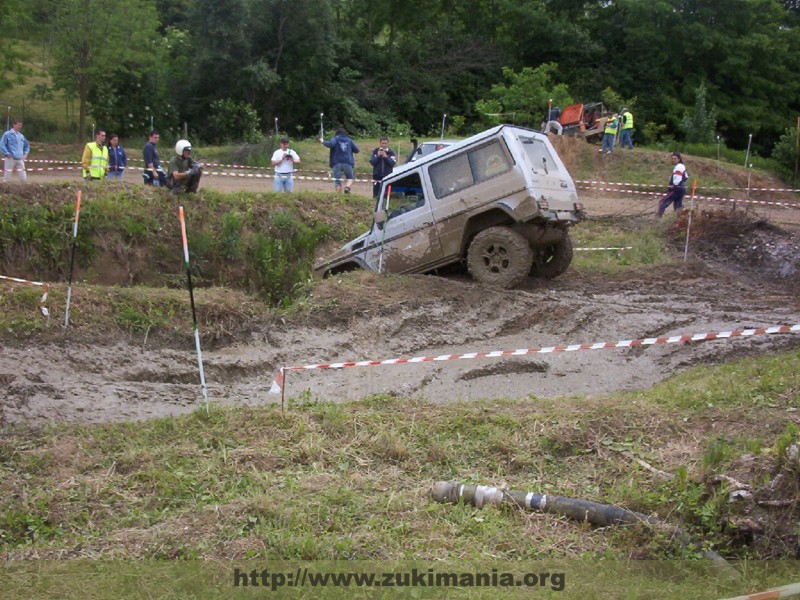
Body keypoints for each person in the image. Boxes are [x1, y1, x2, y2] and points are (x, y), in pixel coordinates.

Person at [320, 127, 360, 194]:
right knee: (350, 178)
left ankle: (339, 196)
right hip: (348, 162)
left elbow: (330, 144)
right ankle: (347, 187)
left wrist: (323, 141)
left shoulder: (336, 138)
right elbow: (357, 150)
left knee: (337, 180)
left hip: (336, 162)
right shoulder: (349, 140)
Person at [657, 152, 688, 217]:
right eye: (672, 158)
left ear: (679, 159)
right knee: (678, 206)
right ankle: (680, 220)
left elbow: (677, 179)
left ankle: (657, 219)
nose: (673, 160)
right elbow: (686, 177)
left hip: (676, 189)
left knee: (662, 203)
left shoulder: (678, 167)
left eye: (675, 158)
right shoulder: (682, 166)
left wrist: (673, 186)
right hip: (682, 188)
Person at [1, 118, 29, 183]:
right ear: (14, 125)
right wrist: (7, 153)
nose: (20, 127)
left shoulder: (21, 136)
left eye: (21, 125)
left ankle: (23, 190)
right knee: (7, 177)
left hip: (19, 159)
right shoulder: (7, 134)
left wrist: (25, 154)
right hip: (10, 158)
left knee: (23, 178)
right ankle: (5, 190)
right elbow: (2, 145)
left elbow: (27, 145)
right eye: (18, 125)